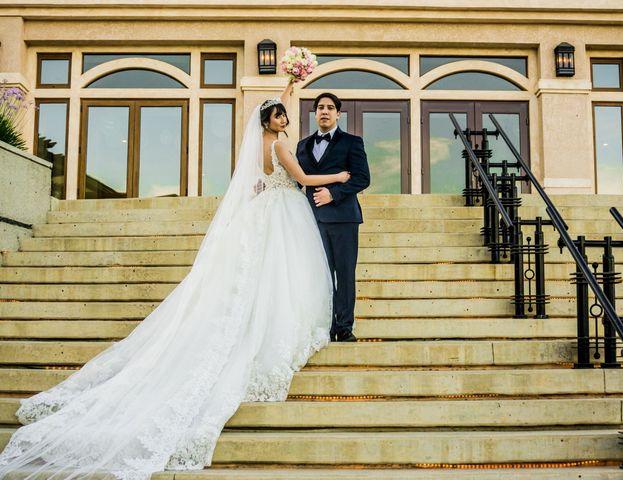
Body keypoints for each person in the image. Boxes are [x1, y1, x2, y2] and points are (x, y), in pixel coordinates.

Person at [0, 80, 350, 480]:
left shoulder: (257, 146)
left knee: (262, 276)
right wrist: (339, 177)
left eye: (284, 113)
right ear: (272, 122)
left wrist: (288, 87)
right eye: (280, 114)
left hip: (266, 210)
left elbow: (260, 175)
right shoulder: (281, 146)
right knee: (284, 275)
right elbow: (303, 181)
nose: (286, 117)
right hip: (286, 210)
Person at [296, 93, 370, 342]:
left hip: (343, 219)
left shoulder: (352, 142)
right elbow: (298, 180)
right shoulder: (302, 145)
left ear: (338, 114)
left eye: (330, 108)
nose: (324, 111)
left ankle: (344, 327)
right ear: (315, 114)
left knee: (345, 274)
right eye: (320, 108)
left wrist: (334, 194)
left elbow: (362, 178)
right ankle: (325, 326)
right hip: (312, 221)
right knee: (320, 275)